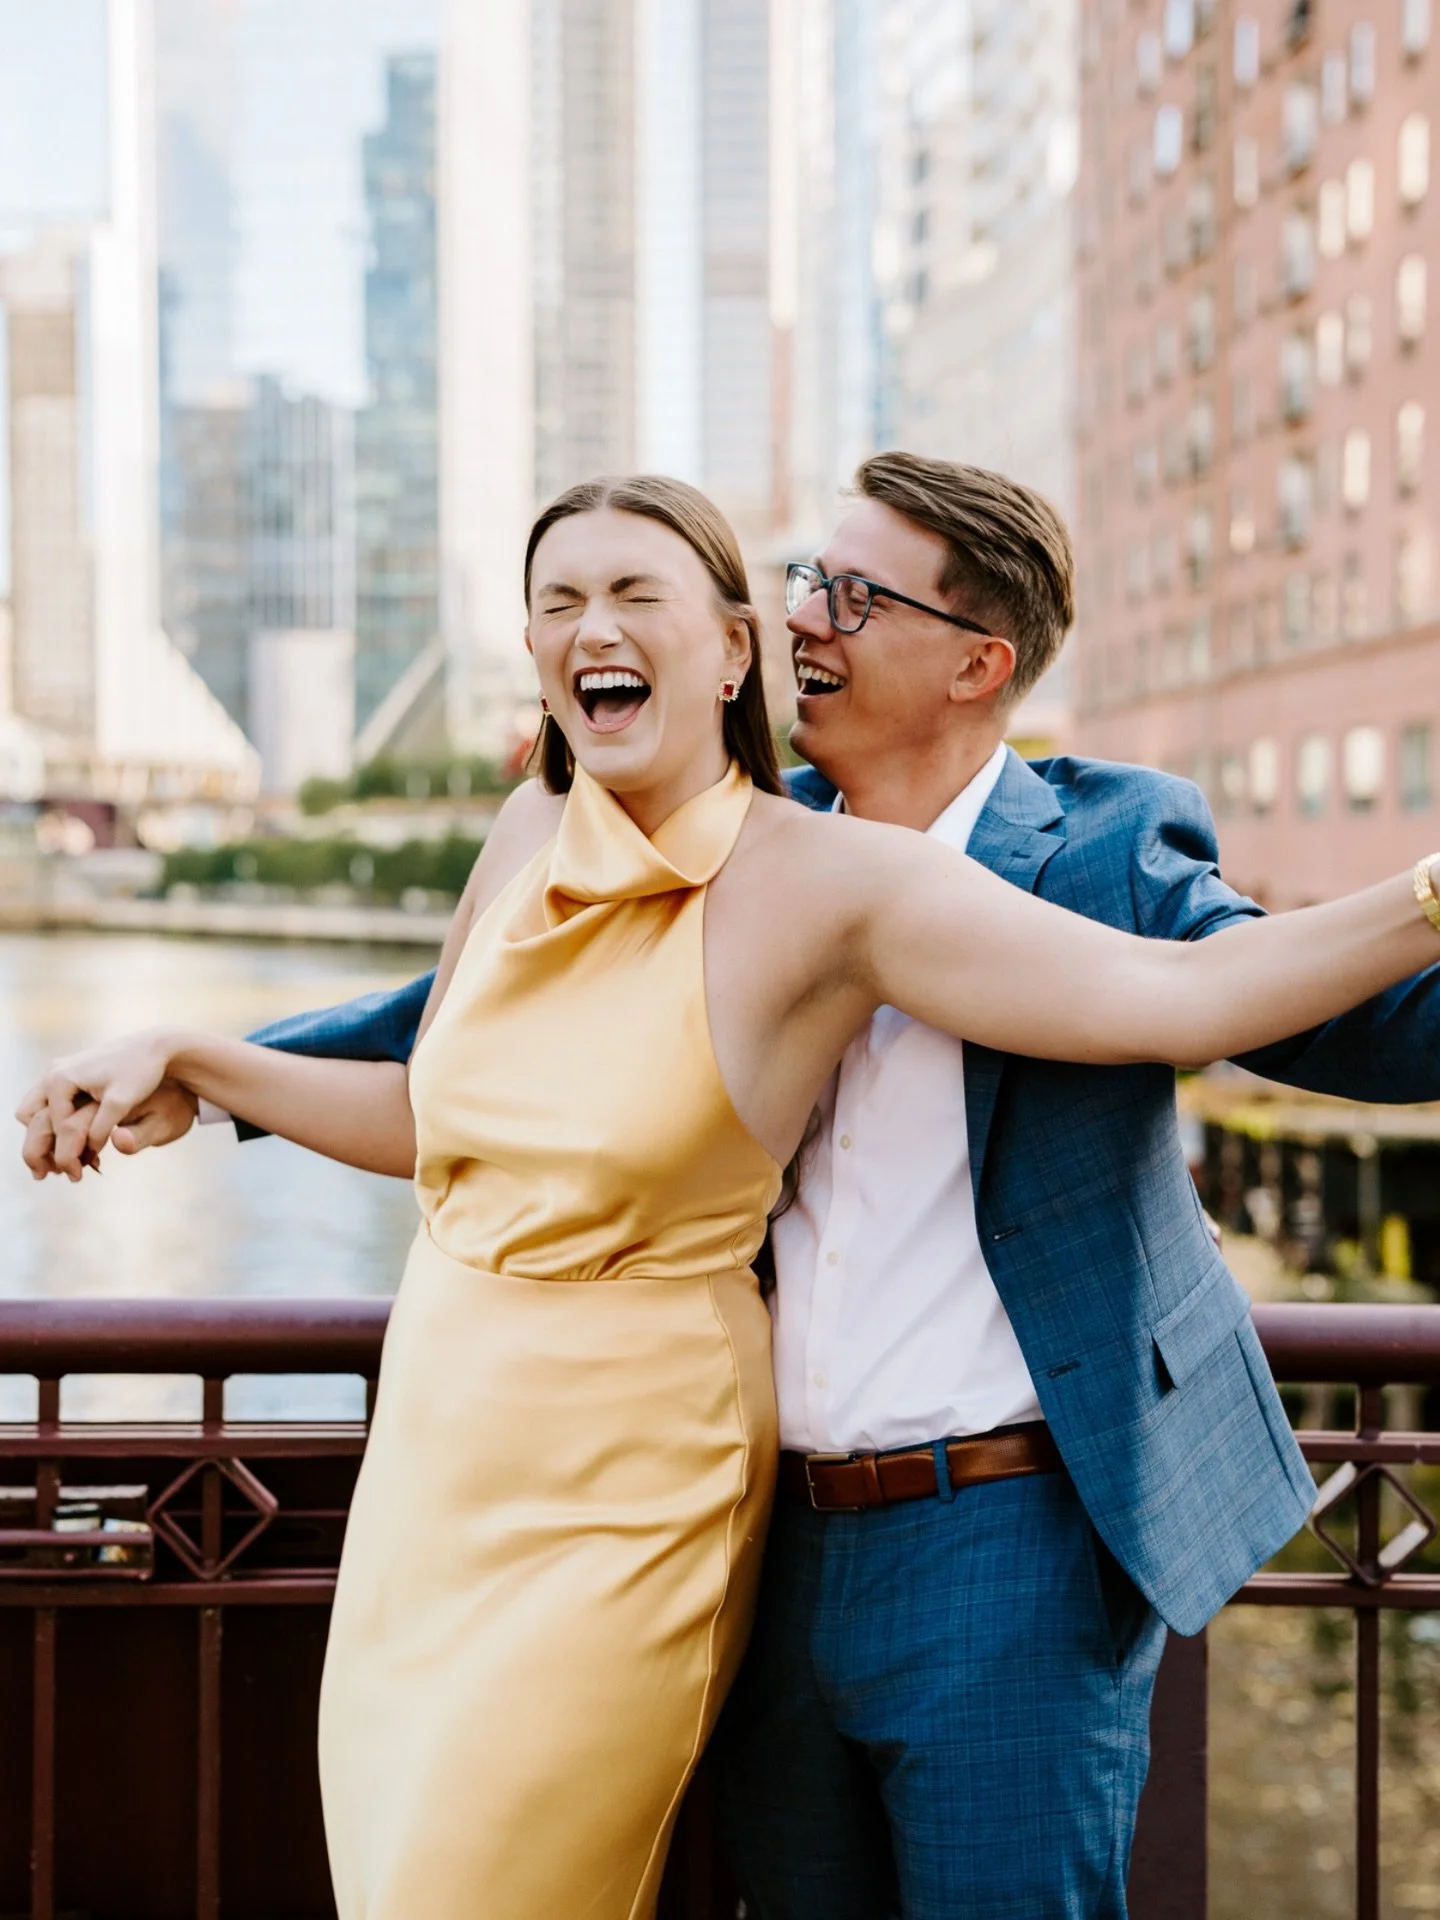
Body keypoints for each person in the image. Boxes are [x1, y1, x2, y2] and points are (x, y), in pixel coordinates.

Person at [17, 470, 1440, 1920]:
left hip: (996, 1527)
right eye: (811, 579)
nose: (815, 614)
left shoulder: (1065, 848)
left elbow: (1219, 991)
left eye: (855, 597)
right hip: (736, 1520)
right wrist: (201, 1066)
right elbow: (448, 1051)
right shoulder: (634, 828)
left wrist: (1429, 898)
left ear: (975, 662)